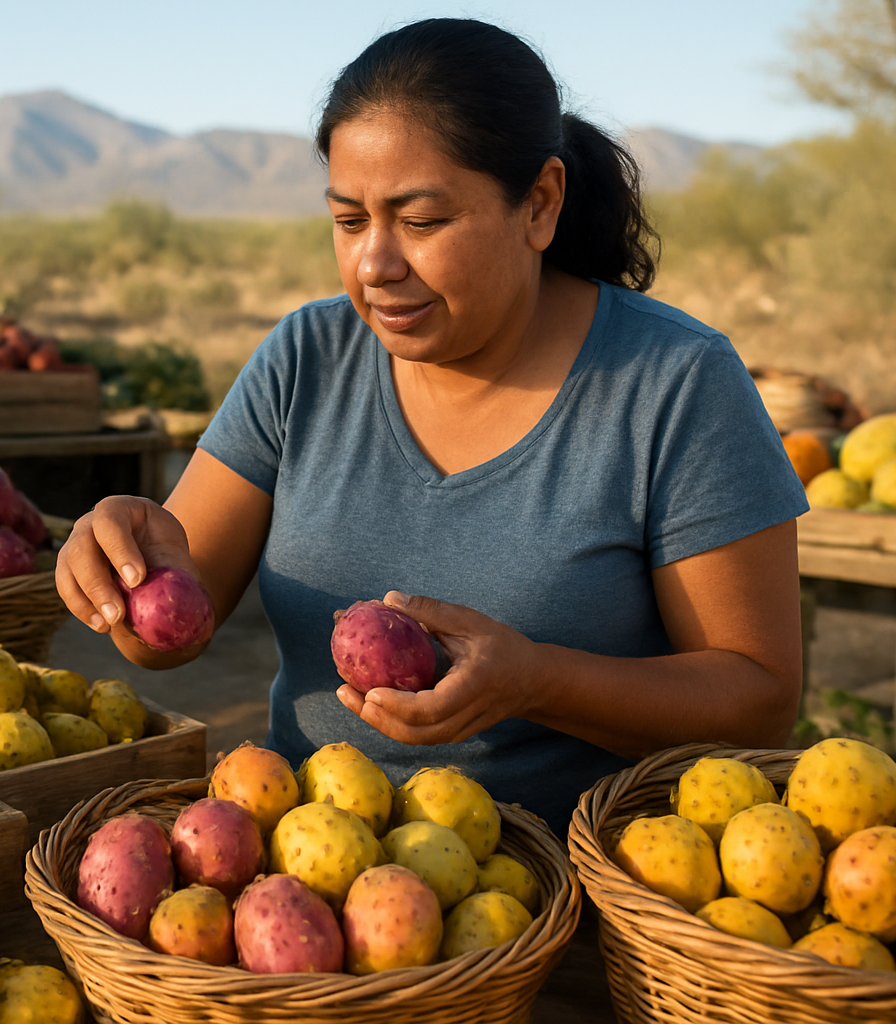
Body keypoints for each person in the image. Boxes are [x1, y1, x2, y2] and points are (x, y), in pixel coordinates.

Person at [56, 18, 807, 831]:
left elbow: (758, 699)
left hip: (578, 899)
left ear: (540, 204)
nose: (375, 264)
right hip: (311, 878)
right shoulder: (305, 358)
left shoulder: (673, 384)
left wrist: (537, 681)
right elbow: (173, 632)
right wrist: (124, 574)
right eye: (348, 221)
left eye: (421, 222)